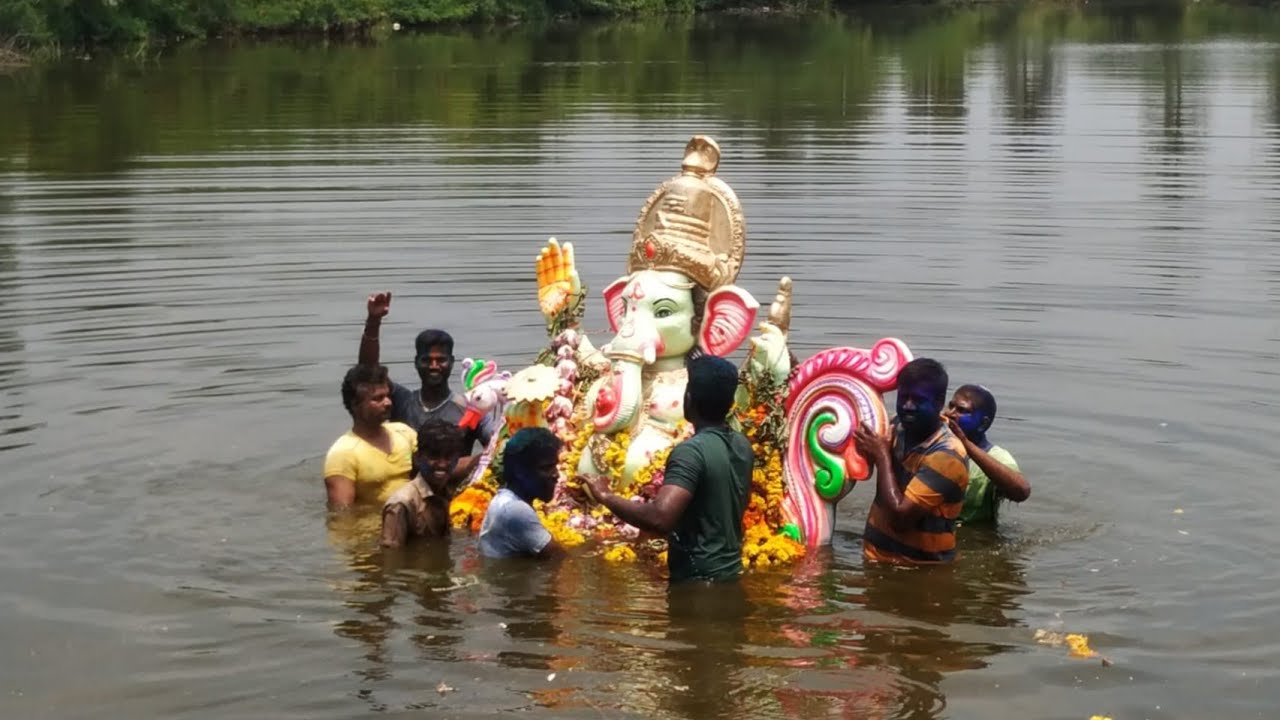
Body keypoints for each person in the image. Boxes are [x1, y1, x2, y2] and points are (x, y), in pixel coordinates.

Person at [578, 355, 753, 584]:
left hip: (696, 584)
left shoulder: (691, 452)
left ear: (688, 398)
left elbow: (661, 517)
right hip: (731, 574)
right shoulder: (743, 445)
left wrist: (605, 496)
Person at [853, 357, 969, 565]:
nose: (907, 406)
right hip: (878, 562)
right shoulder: (896, 427)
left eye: (917, 399)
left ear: (939, 402)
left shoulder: (947, 456)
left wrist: (881, 456)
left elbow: (900, 519)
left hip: (920, 571)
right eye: (903, 397)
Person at [358, 291, 497, 460]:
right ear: (416, 362)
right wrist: (373, 322)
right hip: (406, 484)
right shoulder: (401, 402)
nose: (434, 366)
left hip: (454, 484)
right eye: (427, 360)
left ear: (452, 362)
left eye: (441, 360)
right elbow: (368, 372)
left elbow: (497, 446)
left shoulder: (472, 408)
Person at [324, 364, 417, 508]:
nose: (388, 402)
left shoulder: (404, 432)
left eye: (387, 395)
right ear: (355, 405)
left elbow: (436, 465)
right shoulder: (343, 454)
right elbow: (341, 518)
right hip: (373, 528)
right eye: (378, 398)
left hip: (410, 521)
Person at [944, 384, 1030, 525]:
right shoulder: (935, 444)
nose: (950, 414)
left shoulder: (996, 457)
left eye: (961, 410)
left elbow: (1022, 491)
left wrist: (966, 444)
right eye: (950, 406)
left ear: (983, 424)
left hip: (974, 537)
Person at [478, 427, 566, 559]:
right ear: (520, 472)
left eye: (555, 466)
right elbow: (563, 560)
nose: (556, 475)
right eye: (546, 468)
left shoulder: (504, 500)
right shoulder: (515, 510)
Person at [380, 419, 468, 548]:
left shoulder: (451, 493)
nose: (442, 464)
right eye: (434, 456)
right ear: (417, 458)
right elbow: (392, 560)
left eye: (448, 457)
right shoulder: (401, 504)